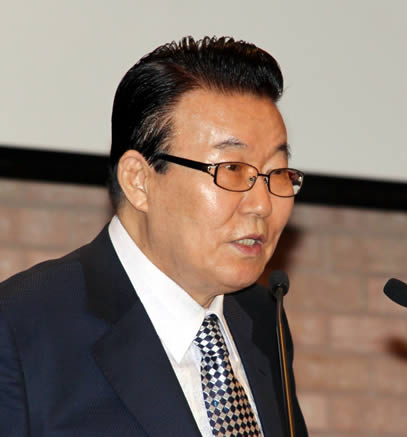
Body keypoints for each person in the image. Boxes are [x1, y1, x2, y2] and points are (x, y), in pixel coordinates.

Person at [0, 36, 308, 436]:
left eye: (278, 173)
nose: (263, 204)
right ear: (139, 181)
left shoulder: (262, 319)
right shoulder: (21, 327)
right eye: (232, 169)